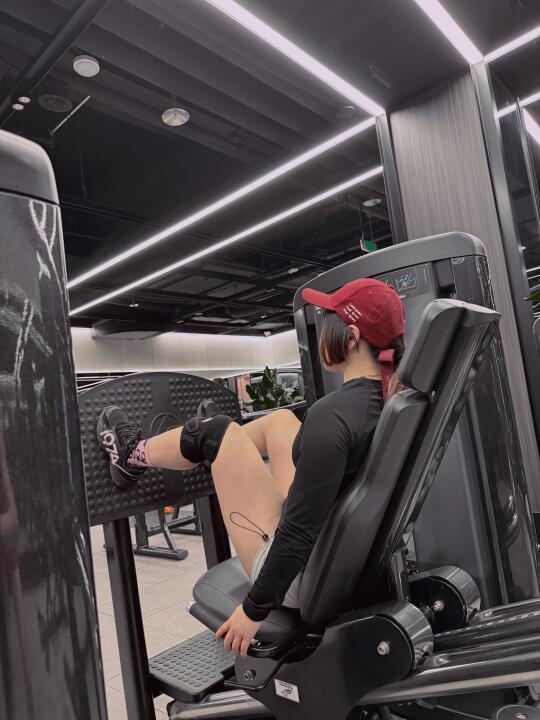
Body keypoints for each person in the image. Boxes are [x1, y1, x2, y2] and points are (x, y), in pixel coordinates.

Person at [96, 278, 405, 657]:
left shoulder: (333, 416)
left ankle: (132, 456)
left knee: (215, 432)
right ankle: (220, 450)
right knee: (280, 421)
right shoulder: (390, 399)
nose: (322, 331)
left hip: (299, 577)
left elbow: (298, 531)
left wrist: (253, 610)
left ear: (352, 337)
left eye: (328, 321)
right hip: (337, 553)